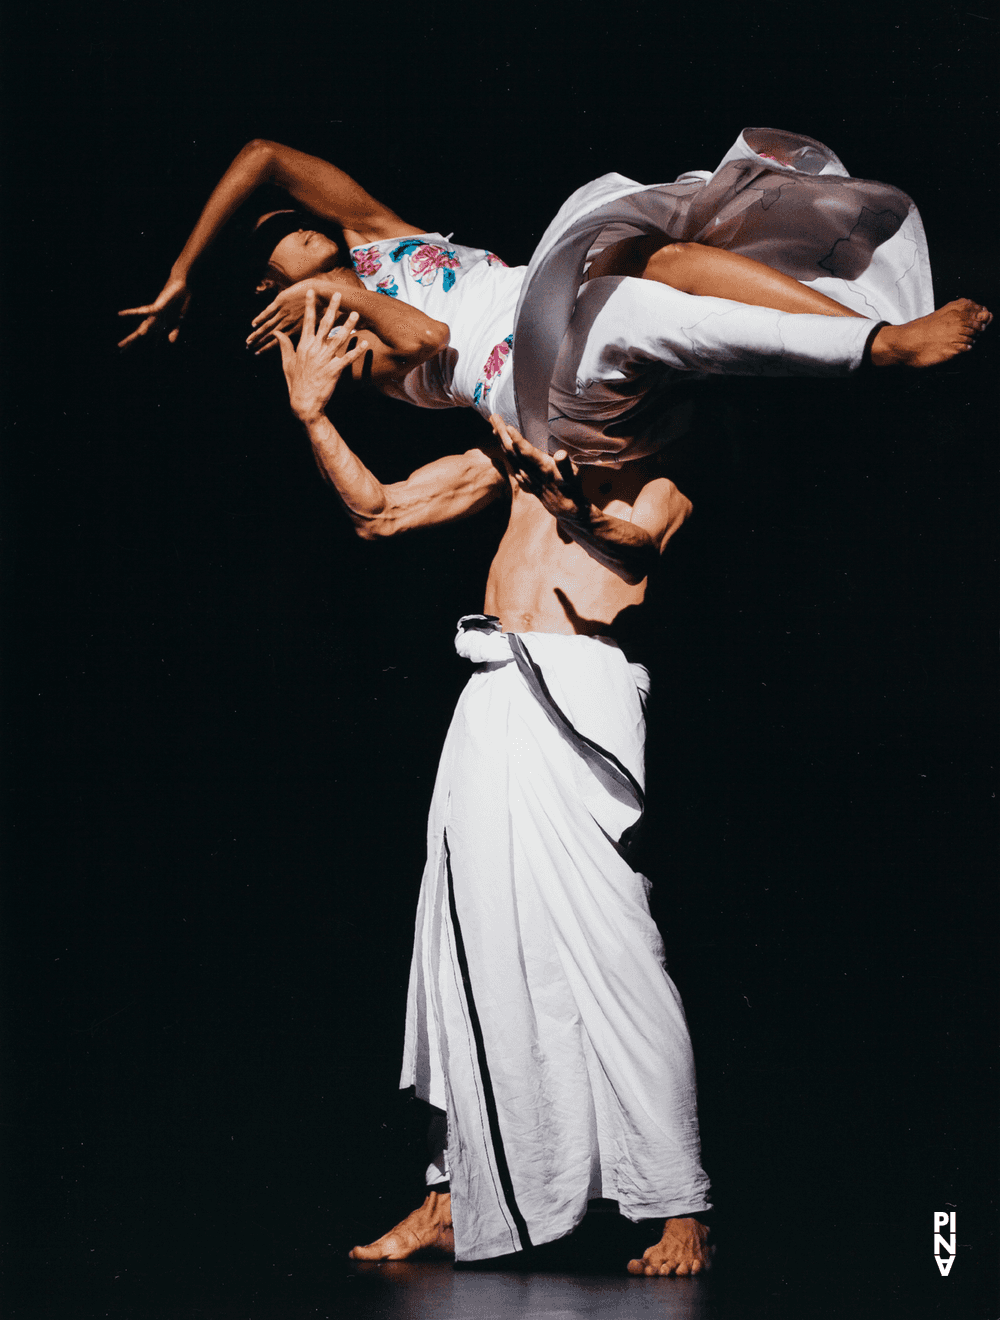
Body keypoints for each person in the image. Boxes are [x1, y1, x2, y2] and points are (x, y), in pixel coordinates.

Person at [272, 289, 712, 1276]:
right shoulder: (513, 463)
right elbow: (379, 513)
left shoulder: (662, 479)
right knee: (457, 945)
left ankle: (678, 1201)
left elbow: (632, 541)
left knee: (613, 949)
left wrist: (562, 495)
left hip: (580, 694)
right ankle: (448, 1194)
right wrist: (314, 416)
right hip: (492, 690)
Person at [118, 130, 991, 462]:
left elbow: (264, 153)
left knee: (667, 253)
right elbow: (424, 339)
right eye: (288, 236)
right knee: (620, 293)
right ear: (277, 282)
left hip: (551, 305)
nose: (305, 222)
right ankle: (877, 353)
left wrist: (182, 273)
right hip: (533, 392)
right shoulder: (336, 345)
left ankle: (882, 333)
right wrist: (325, 300)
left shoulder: (381, 238)